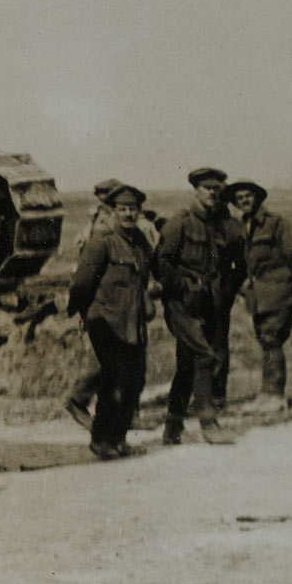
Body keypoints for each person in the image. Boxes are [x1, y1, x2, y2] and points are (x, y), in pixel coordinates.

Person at [154, 167, 246, 444]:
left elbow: (238, 265)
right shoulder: (179, 223)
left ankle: (173, 428)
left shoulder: (223, 225)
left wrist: (225, 292)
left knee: (187, 364)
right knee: (204, 357)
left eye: (217, 189)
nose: (213, 193)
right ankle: (209, 422)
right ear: (196, 190)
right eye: (208, 188)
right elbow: (160, 265)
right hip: (182, 304)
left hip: (210, 304)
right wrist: (183, 286)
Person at [66, 183, 155, 459]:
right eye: (123, 209)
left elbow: (147, 276)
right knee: (113, 381)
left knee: (134, 381)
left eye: (133, 209)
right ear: (113, 211)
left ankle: (119, 438)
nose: (128, 213)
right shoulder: (102, 242)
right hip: (106, 322)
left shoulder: (140, 241)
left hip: (133, 322)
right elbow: (81, 284)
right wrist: (83, 315)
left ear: (139, 211)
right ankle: (102, 440)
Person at [227, 180, 292, 415]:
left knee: (272, 339)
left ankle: (274, 394)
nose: (244, 201)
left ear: (257, 198)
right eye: (239, 199)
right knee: (264, 339)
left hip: (278, 290)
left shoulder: (276, 223)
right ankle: (267, 392)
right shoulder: (241, 225)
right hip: (255, 293)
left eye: (248, 196)